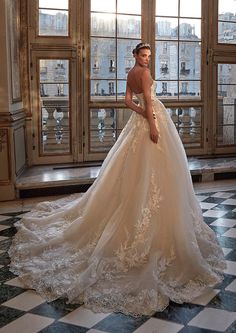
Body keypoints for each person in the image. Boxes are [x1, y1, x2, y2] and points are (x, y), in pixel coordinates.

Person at [9, 42, 226, 318]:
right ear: (135, 55)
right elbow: (148, 102)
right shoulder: (144, 75)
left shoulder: (129, 73)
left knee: (134, 175)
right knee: (156, 174)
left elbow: (127, 102)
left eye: (149, 56)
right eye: (143, 55)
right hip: (152, 123)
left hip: (138, 124)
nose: (147, 60)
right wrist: (154, 124)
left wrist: (142, 116)